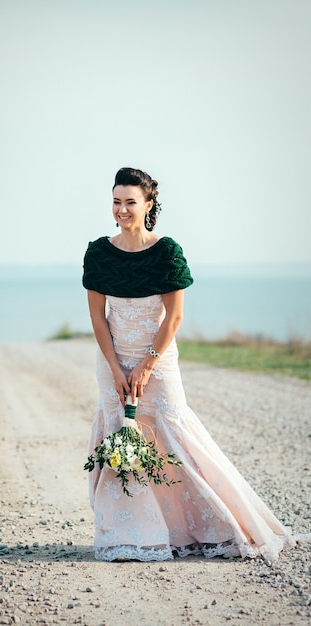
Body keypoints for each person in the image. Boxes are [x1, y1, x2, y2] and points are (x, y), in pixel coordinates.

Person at [82, 166, 303, 563]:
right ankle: (129, 535)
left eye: (130, 202)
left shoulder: (167, 251)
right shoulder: (98, 252)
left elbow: (174, 317)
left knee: (173, 433)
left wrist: (147, 366)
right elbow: (98, 318)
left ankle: (202, 526)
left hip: (158, 359)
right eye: (116, 202)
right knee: (121, 438)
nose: (122, 210)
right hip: (113, 360)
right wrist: (116, 369)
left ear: (149, 205)